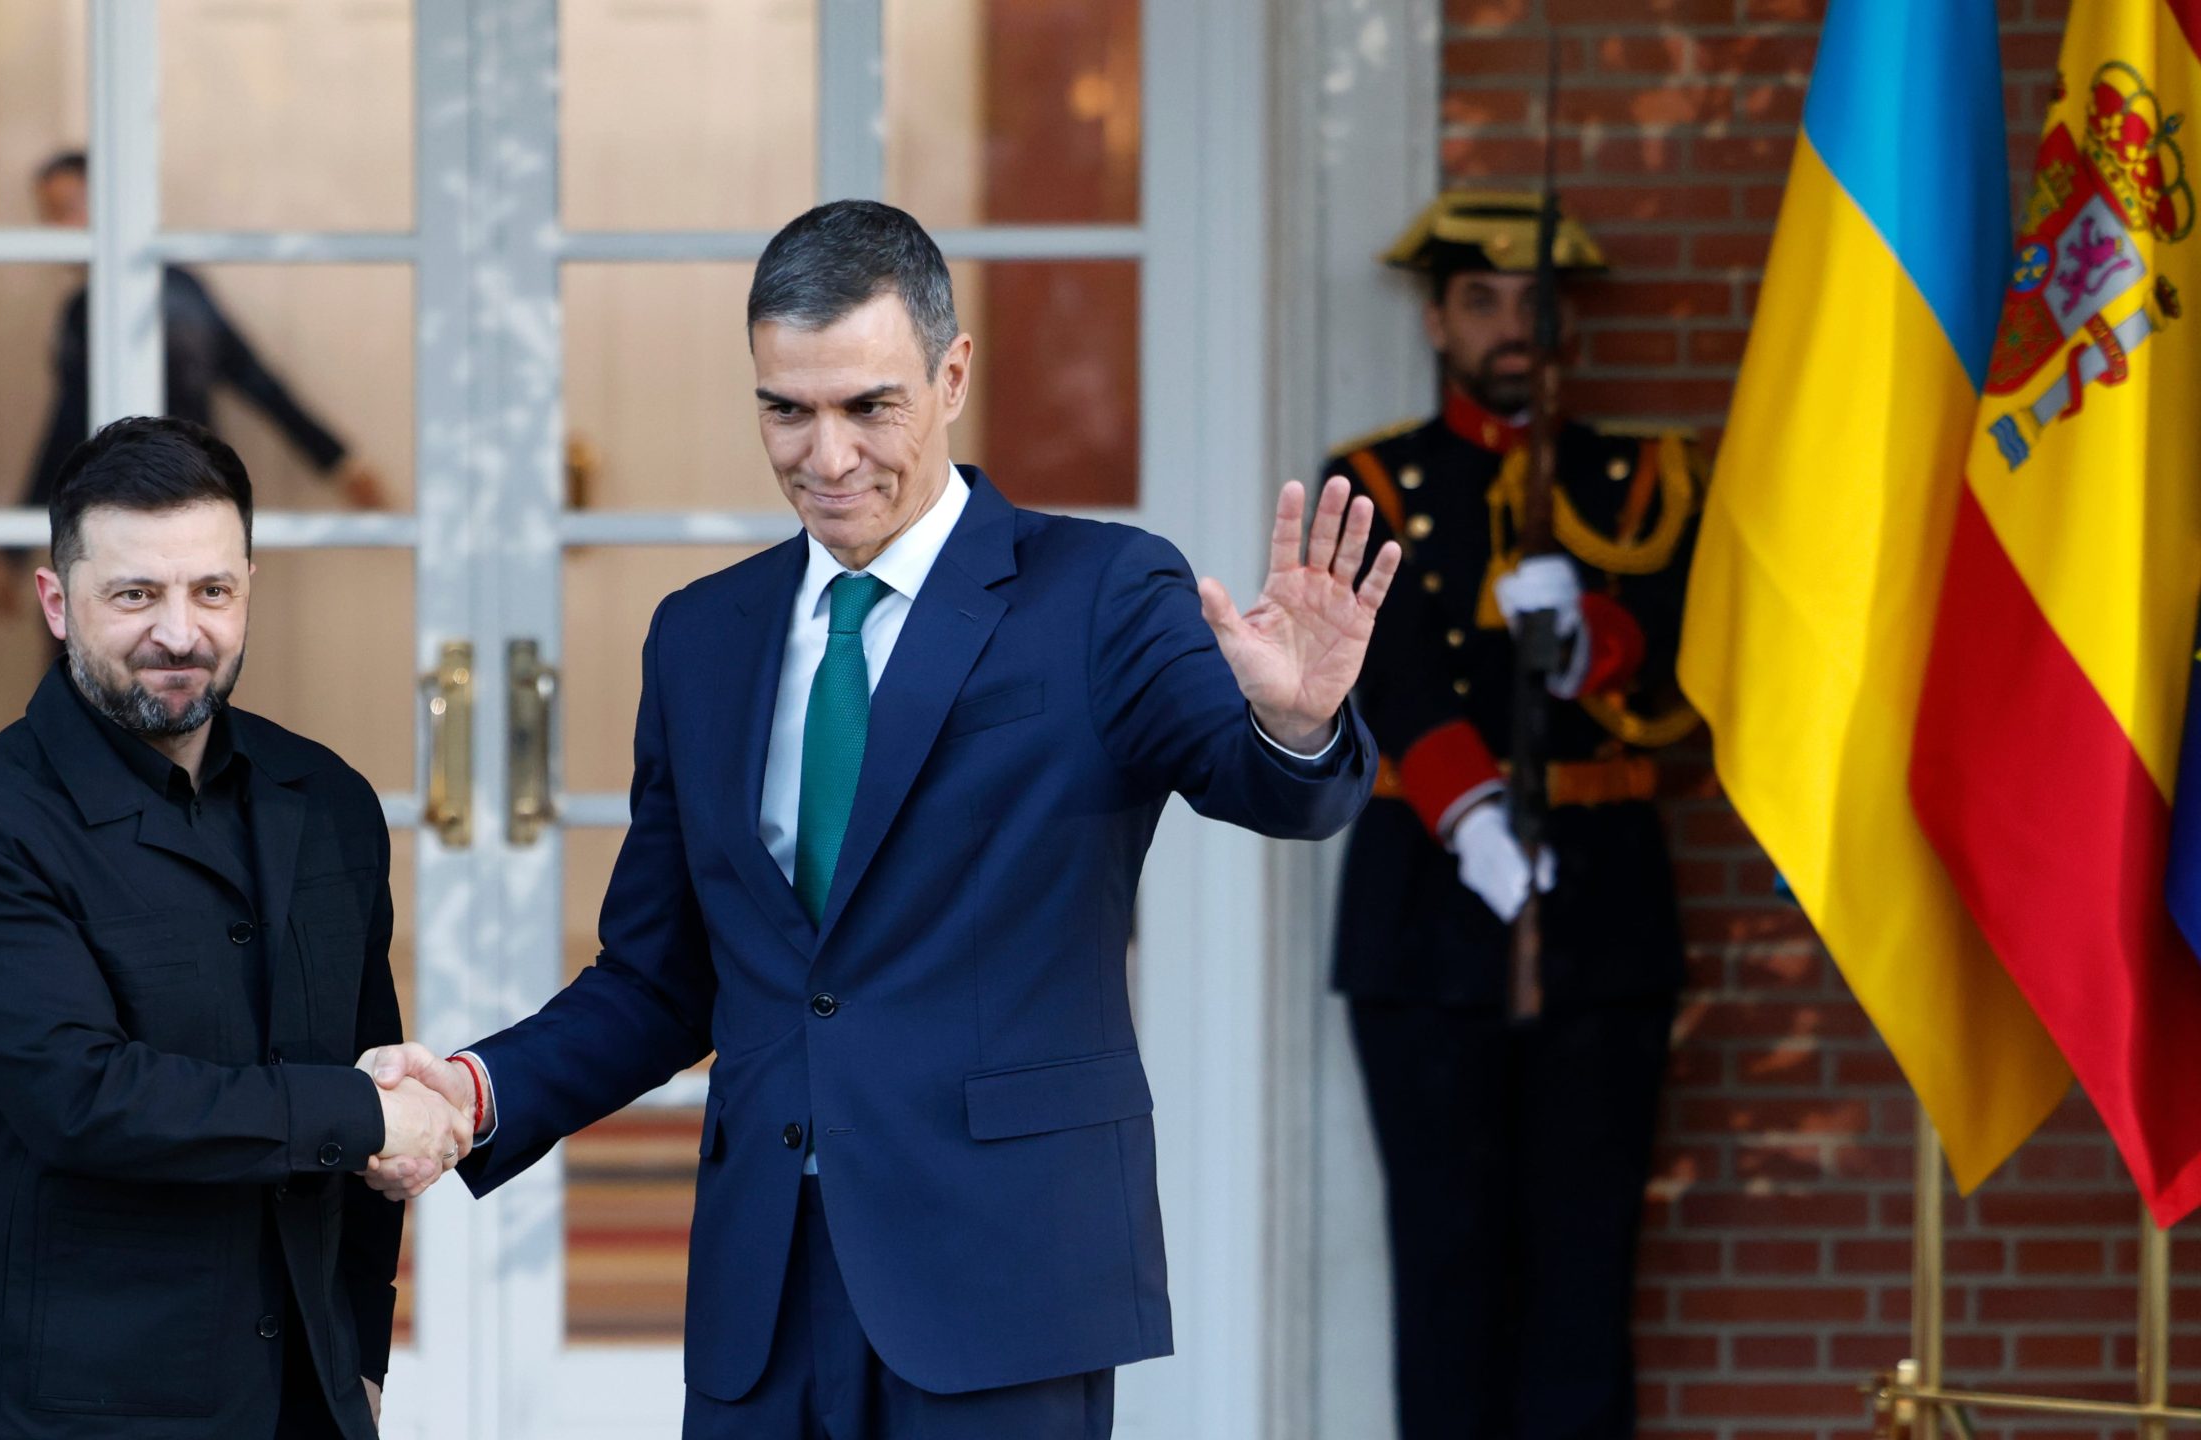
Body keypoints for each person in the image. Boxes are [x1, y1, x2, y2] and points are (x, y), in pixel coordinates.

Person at [356, 199, 1399, 1440]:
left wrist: (1296, 723)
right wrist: (477, 1091)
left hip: (1004, 1280)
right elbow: (659, 979)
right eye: (784, 410)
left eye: (868, 406)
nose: (826, 455)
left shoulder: (1102, 595)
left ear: (952, 373)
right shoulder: (702, 636)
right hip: (764, 1293)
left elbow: (1271, 790)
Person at [0, 417, 471, 1439]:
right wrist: (353, 1108)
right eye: (135, 595)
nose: (180, 631)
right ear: (57, 602)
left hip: (303, 1397)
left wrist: (360, 1360)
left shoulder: (329, 803)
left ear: (247, 587)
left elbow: (368, 1093)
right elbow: (86, 1099)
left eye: (211, 590)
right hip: (70, 1412)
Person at [1326, 191, 1701, 1440]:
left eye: (1533, 303)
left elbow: (1699, 668)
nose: (1509, 328)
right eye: (1479, 301)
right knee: (1444, 1263)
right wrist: (1473, 815)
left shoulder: (1641, 479)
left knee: (1585, 1272)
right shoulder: (1373, 479)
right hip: (1430, 909)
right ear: (1435, 317)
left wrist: (1593, 637)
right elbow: (1385, 674)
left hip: (1602, 907)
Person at [21, 152, 390, 511]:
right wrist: (341, 464)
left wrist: (341, 464)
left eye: (66, 209)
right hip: (178, 494)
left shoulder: (154, 297)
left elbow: (253, 380)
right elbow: (256, 380)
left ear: (110, 206)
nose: (55, 229)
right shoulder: (151, 292)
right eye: (48, 214)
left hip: (152, 496)